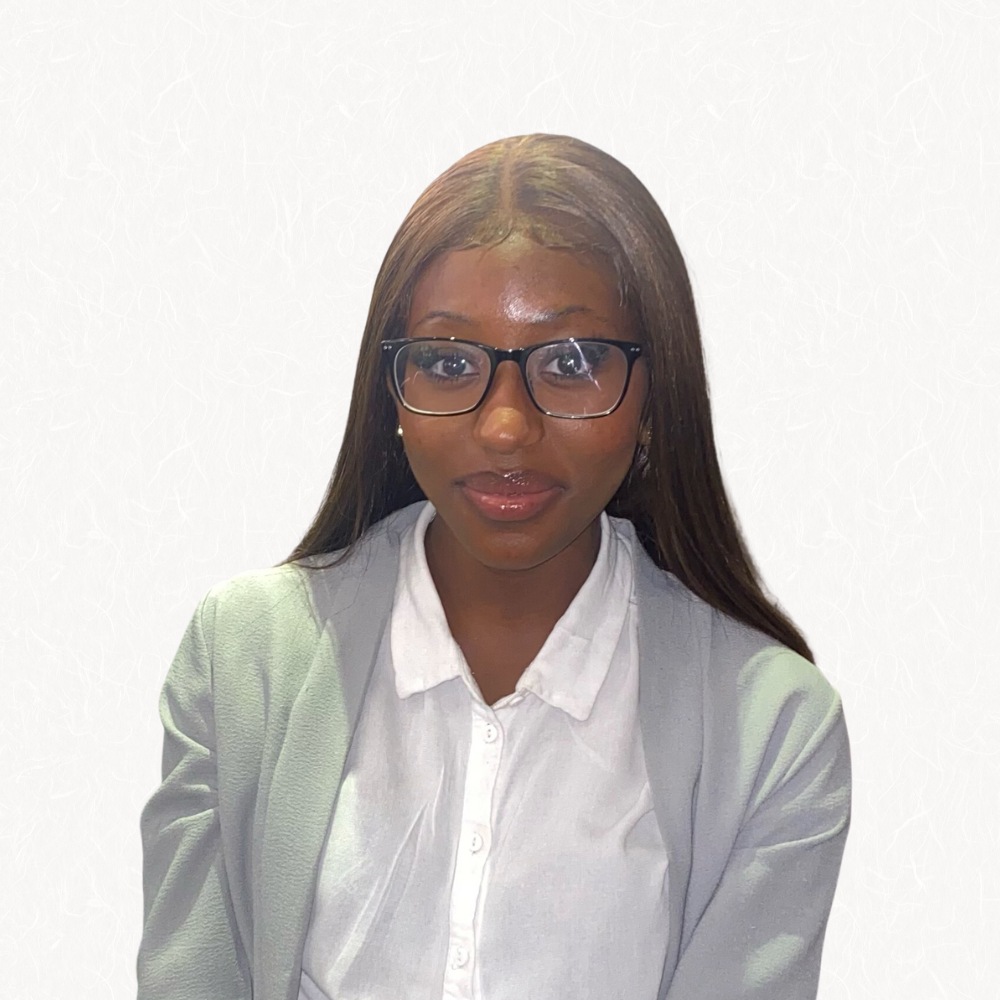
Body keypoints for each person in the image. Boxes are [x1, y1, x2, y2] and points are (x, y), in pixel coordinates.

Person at [137, 133, 851, 1000]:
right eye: (446, 361)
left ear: (654, 397)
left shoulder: (773, 729)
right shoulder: (243, 659)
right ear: (390, 392)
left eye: (574, 361)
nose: (506, 426)